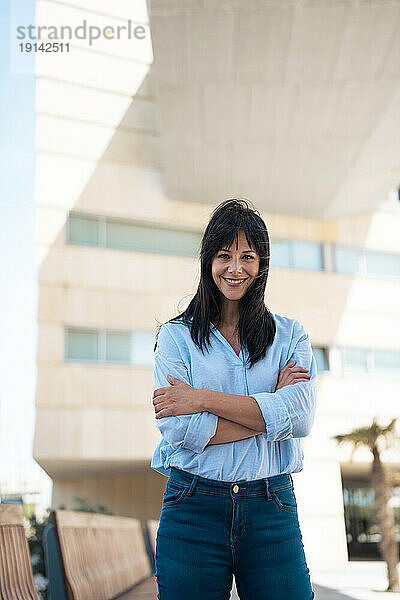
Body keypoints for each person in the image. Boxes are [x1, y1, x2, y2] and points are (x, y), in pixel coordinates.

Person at [150, 198, 317, 600]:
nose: (235, 269)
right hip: (193, 507)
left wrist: (202, 399)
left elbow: (302, 419)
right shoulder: (176, 337)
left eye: (248, 257)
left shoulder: (290, 335)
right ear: (209, 260)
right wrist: (269, 409)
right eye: (224, 255)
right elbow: (181, 430)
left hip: (271, 507)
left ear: (262, 264)